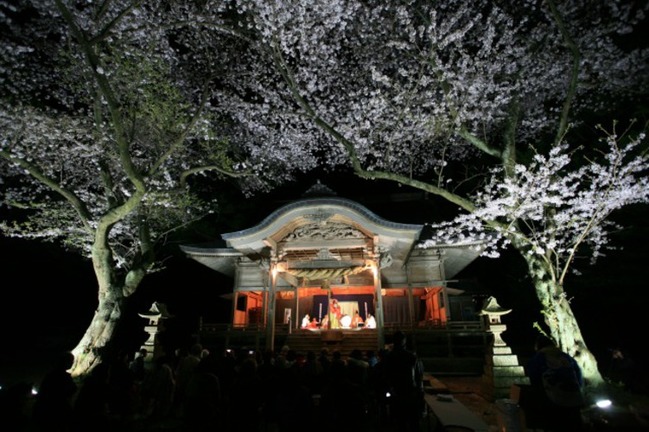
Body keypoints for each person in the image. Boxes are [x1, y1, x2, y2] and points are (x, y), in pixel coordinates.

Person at [525, 335, 585, 431]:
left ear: (537, 346)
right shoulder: (566, 357)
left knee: (555, 425)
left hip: (552, 399)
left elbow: (535, 379)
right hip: (574, 397)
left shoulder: (538, 359)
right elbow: (578, 375)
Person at [384, 331, 424, 432]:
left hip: (396, 392)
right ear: (404, 341)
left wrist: (389, 390)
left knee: (400, 422)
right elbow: (419, 377)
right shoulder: (411, 356)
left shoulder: (389, 357)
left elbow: (386, 376)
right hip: (410, 391)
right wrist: (420, 392)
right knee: (413, 422)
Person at [32, 351, 78, 432]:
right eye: (71, 361)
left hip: (47, 412)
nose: (72, 363)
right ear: (65, 362)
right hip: (57, 412)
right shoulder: (63, 377)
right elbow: (69, 391)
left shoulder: (50, 375)